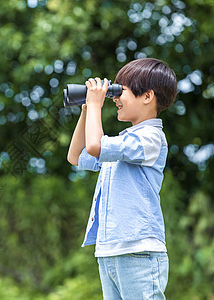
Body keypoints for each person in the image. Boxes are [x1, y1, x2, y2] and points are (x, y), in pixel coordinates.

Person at [67, 58, 177, 299]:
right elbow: (75, 156)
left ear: (147, 96)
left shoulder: (150, 138)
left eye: (120, 91)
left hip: (139, 250)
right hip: (109, 250)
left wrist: (97, 105)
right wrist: (87, 109)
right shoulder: (120, 143)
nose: (114, 98)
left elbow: (95, 146)